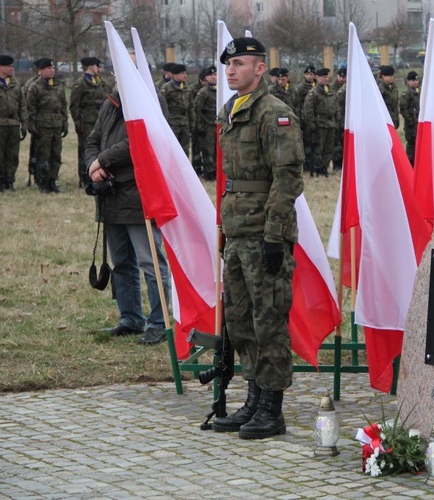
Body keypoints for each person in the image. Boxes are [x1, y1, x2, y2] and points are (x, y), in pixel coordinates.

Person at [212, 36, 304, 440]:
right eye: (228, 65)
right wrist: (224, 227)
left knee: (269, 320)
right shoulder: (232, 111)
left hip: (264, 234)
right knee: (240, 319)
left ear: (260, 69)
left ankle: (272, 406)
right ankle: (253, 396)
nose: (231, 71)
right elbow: (232, 182)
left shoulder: (274, 113)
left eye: (240, 64)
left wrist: (273, 236)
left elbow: (287, 178)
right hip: (237, 232)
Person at [85, 84, 171, 346]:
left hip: (138, 195)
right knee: (121, 262)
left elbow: (141, 139)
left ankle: (160, 322)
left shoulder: (150, 100)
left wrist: (102, 160)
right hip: (111, 197)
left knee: (150, 263)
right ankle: (131, 318)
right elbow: (92, 138)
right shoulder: (110, 103)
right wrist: (92, 166)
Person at [0, 55, 27, 192]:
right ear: (0, 67)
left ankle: (9, 180)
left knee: (12, 154)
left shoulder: (15, 84)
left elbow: (22, 105)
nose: (11, 68)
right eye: (9, 66)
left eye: (12, 66)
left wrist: (24, 123)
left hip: (13, 124)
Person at [27, 58, 68, 194]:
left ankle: (52, 181)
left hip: (56, 125)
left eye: (52, 68)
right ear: (40, 71)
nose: (51, 71)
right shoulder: (35, 87)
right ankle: (43, 183)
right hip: (42, 126)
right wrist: (32, 126)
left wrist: (65, 122)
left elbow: (63, 106)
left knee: (56, 155)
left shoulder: (58, 86)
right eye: (48, 69)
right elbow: (30, 109)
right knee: (43, 156)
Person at [70, 56, 111, 188]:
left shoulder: (103, 83)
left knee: (102, 150)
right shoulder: (80, 84)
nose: (99, 68)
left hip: (102, 123)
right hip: (87, 124)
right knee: (86, 151)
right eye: (97, 66)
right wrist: (78, 123)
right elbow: (74, 106)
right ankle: (85, 178)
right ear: (90, 66)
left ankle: (102, 175)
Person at [303, 67, 338, 177]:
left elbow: (336, 107)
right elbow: (308, 110)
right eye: (324, 77)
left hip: (330, 124)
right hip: (319, 124)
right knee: (319, 148)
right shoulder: (313, 93)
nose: (326, 79)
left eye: (327, 77)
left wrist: (337, 120)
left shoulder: (331, 91)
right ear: (317, 78)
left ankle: (325, 168)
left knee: (329, 149)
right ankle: (317, 169)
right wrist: (312, 125)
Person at [160, 63, 195, 162]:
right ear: (175, 75)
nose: (185, 75)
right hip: (172, 124)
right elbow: (162, 107)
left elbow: (191, 107)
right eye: (182, 73)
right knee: (172, 149)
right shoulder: (166, 88)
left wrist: (192, 123)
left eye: (185, 73)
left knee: (185, 149)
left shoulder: (187, 88)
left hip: (185, 123)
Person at [193, 65, 218, 181]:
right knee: (209, 150)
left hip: (219, 124)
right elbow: (197, 109)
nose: (214, 77)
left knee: (219, 149)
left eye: (215, 74)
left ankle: (218, 170)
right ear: (206, 78)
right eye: (210, 75)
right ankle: (210, 172)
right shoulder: (203, 92)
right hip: (208, 125)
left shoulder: (221, 90)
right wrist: (199, 126)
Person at [399, 70, 420, 167]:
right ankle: (410, 165)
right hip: (411, 125)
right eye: (412, 80)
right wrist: (411, 121)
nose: (415, 82)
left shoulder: (419, 92)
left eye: (416, 80)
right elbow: (403, 109)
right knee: (412, 145)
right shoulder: (406, 94)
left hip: (418, 123)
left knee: (419, 145)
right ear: (408, 81)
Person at [333, 66, 347, 172]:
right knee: (337, 145)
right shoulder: (333, 88)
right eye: (340, 77)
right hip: (337, 119)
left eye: (344, 77)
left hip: (346, 119)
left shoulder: (349, 88)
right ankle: (337, 165)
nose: (342, 79)